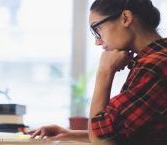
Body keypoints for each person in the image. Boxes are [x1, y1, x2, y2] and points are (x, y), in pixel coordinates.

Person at [29, 0, 167, 144]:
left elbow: (101, 140)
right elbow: (120, 134)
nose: (97, 41)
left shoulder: (154, 66)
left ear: (126, 18)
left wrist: (104, 72)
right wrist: (69, 134)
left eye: (98, 28)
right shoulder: (156, 59)